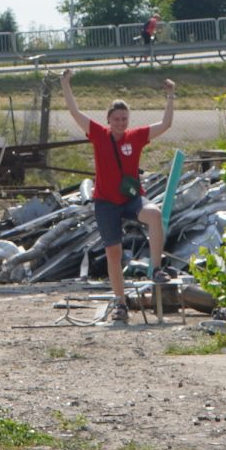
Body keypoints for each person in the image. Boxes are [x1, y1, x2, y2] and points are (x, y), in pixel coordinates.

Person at [62, 67, 175, 321]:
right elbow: (74, 111)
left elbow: (166, 124)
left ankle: (155, 268)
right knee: (114, 252)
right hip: (105, 202)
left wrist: (170, 96)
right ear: (109, 120)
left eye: (124, 119)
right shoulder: (99, 135)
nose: (120, 123)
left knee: (154, 214)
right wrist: (66, 84)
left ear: (128, 120)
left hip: (131, 198)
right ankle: (120, 303)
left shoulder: (135, 137)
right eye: (116, 119)